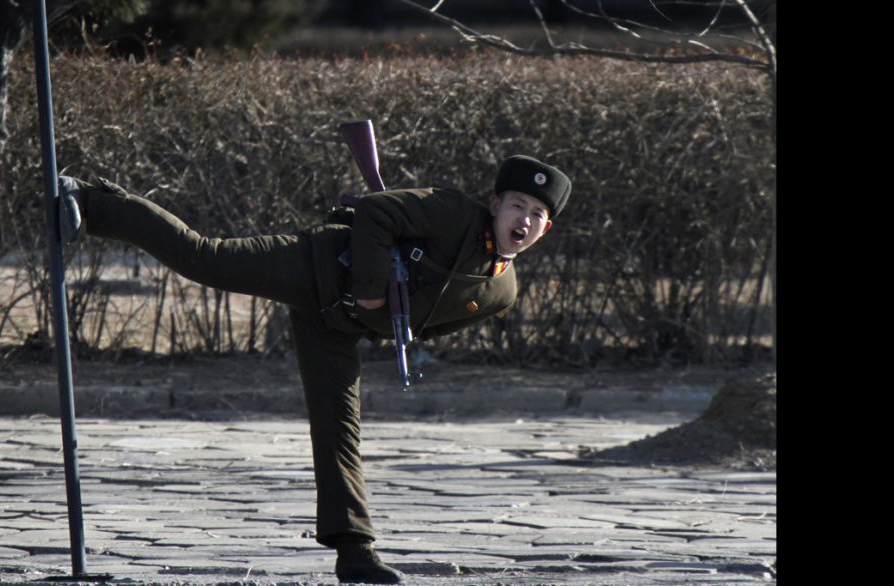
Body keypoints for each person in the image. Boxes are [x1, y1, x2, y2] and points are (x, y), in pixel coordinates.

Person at [57, 154, 571, 584]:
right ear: (496, 204)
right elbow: (375, 211)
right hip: (317, 266)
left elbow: (427, 326)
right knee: (205, 257)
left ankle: (354, 553)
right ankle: (93, 200)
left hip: (339, 328)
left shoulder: (501, 290)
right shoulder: (454, 212)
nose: (523, 220)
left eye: (536, 215)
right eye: (517, 205)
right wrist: (373, 286)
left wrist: (388, 322)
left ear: (547, 229)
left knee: (339, 430)